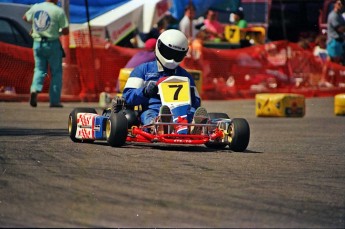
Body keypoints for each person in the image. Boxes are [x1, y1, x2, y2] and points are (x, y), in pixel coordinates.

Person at [122, 29, 208, 134]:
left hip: (182, 112)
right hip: (154, 109)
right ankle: (159, 126)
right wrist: (145, 92)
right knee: (149, 115)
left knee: (192, 113)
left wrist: (190, 96)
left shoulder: (185, 76)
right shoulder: (143, 70)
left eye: (176, 55)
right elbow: (127, 97)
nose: (172, 59)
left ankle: (194, 126)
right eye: (168, 53)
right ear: (159, 47)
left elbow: (197, 102)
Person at [23, 0, 69, 108]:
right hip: (52, 44)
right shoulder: (58, 11)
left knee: (39, 69)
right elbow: (66, 30)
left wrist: (36, 27)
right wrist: (57, 31)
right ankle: (54, 101)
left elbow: (25, 17)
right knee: (56, 72)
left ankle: (34, 89)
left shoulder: (36, 7)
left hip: (37, 43)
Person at [326, 0, 345, 65]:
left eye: (342, 4)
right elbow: (339, 29)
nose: (341, 5)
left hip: (340, 42)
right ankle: (324, 74)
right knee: (333, 62)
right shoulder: (333, 15)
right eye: (339, 4)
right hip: (334, 42)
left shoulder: (340, 15)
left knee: (338, 62)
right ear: (335, 4)